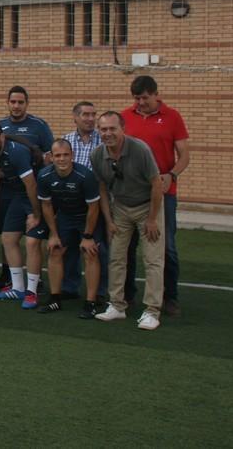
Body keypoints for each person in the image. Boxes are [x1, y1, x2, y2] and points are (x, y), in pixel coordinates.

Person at [121, 75, 189, 318]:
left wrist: (172, 174)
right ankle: (127, 295)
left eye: (145, 98)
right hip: (131, 194)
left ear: (156, 94)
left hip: (163, 193)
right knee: (128, 246)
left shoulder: (173, 117)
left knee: (167, 246)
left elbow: (184, 156)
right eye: (137, 98)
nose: (140, 102)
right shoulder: (125, 117)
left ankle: (169, 297)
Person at [92, 111, 165, 331]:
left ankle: (152, 311)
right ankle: (116, 305)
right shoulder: (97, 155)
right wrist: (109, 220)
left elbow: (156, 184)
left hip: (147, 207)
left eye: (112, 128)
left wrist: (152, 219)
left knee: (152, 260)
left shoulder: (140, 149)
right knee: (116, 258)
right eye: (103, 129)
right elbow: (102, 189)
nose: (108, 133)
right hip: (120, 208)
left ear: (122, 129)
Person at [0, 85, 53, 289]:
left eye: (20, 102)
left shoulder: (39, 125)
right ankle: (7, 274)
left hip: (30, 187)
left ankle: (37, 277)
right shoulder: (0, 126)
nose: (16, 106)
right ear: (7, 103)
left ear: (27, 103)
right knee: (5, 231)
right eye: (13, 102)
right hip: (7, 188)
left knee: (33, 233)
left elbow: (49, 155)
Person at [36, 139, 103, 318]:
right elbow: (47, 206)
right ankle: (55, 299)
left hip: (86, 217)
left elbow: (94, 208)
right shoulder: (44, 175)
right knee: (55, 250)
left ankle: (91, 303)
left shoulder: (85, 176)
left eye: (66, 155)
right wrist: (53, 234)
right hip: (65, 216)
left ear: (72, 156)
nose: (62, 159)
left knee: (90, 253)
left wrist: (88, 236)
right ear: (51, 157)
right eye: (57, 155)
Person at [0, 120, 43, 307]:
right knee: (8, 238)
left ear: (1, 137)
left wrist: (35, 214)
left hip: (36, 195)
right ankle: (18, 288)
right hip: (18, 194)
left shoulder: (16, 152)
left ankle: (31, 292)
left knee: (32, 242)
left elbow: (31, 184)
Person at [61, 101, 106, 300]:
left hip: (95, 203)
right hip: (70, 202)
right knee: (68, 248)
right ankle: (69, 287)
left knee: (97, 250)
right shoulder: (66, 141)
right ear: (75, 117)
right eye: (85, 115)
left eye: (93, 115)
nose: (90, 119)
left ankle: (100, 291)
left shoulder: (103, 141)